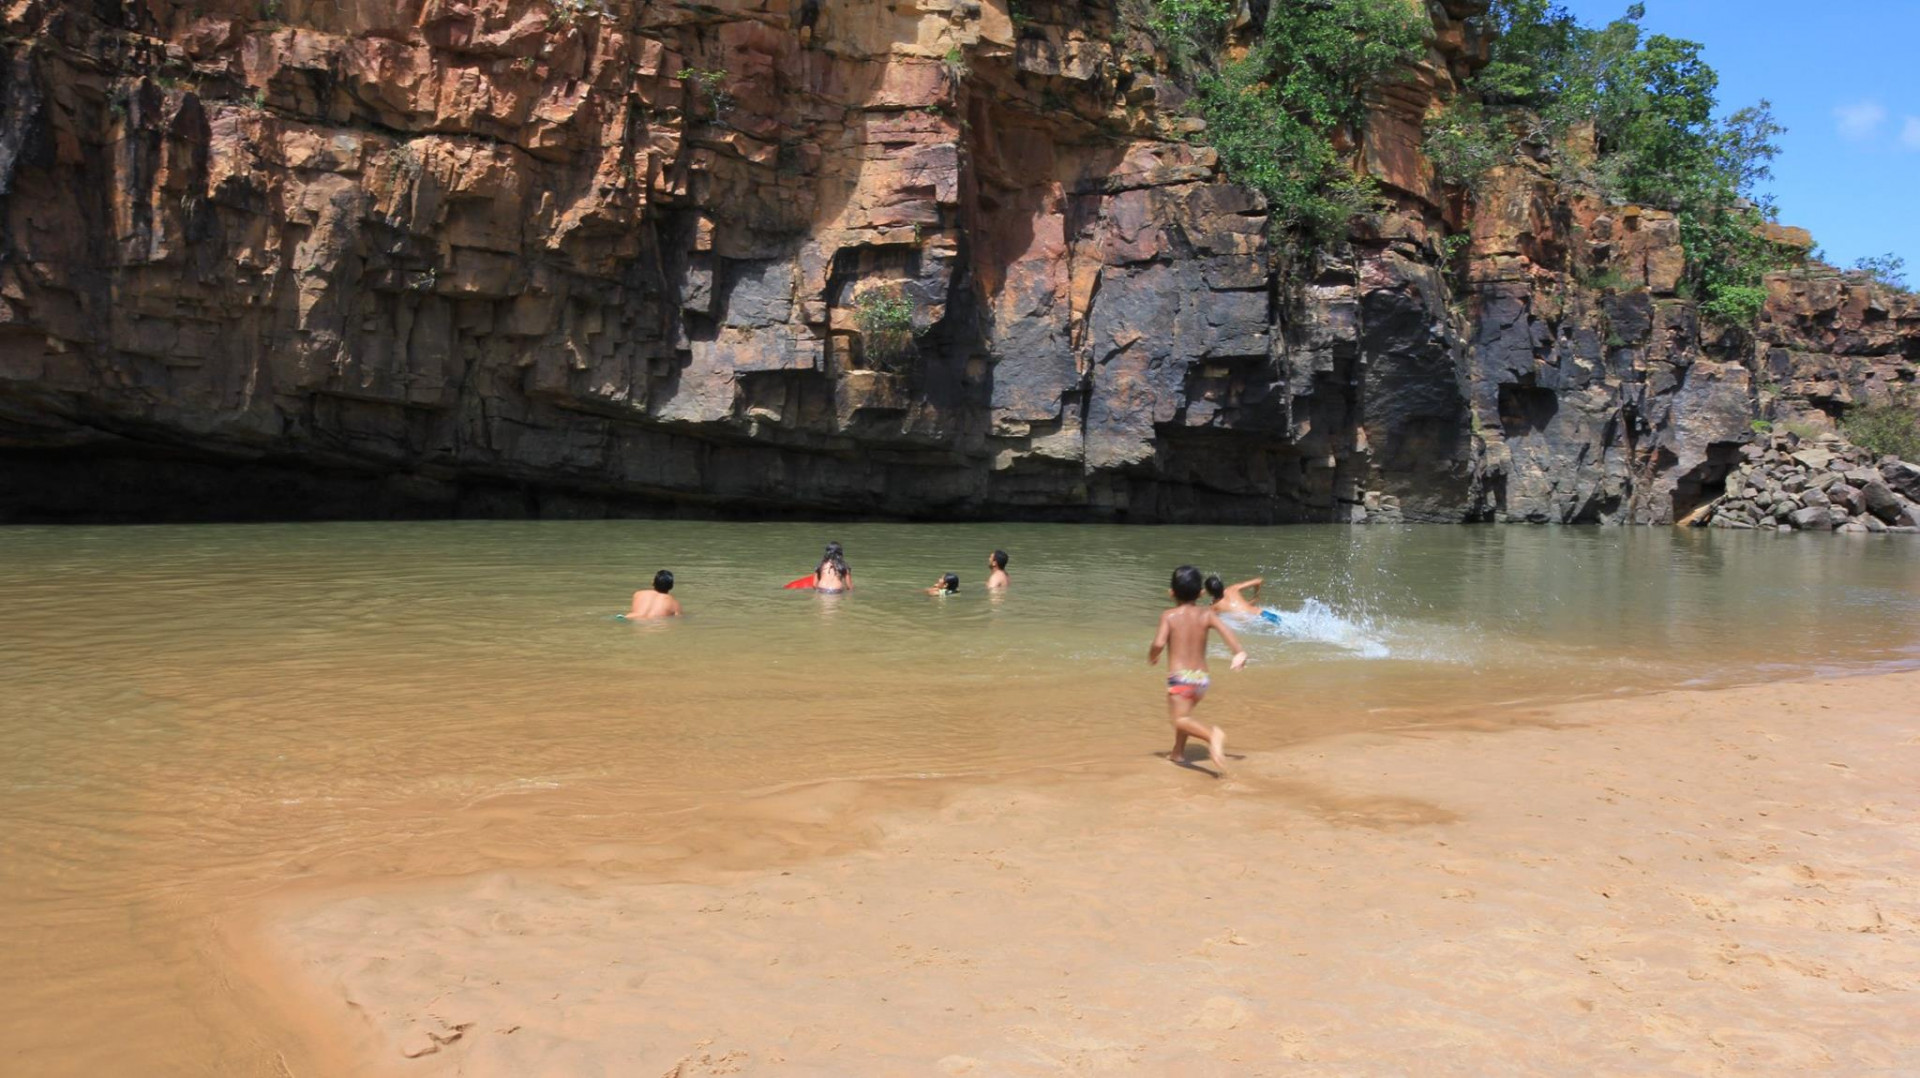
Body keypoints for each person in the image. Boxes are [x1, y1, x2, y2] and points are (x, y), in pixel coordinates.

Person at [1148, 565, 1247, 771]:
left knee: (1180, 719)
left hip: (1181, 679)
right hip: (1201, 679)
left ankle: (1213, 736)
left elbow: (1158, 643)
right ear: (1201, 593)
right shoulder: (1207, 614)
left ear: (1171, 593)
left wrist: (1153, 656)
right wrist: (1238, 652)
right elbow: (1226, 631)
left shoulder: (1169, 616)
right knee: (1185, 714)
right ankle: (1178, 753)